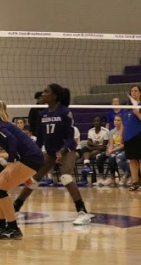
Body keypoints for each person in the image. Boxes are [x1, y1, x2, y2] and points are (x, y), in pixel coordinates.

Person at [12, 84, 92, 225]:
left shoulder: (64, 112)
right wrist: (32, 155)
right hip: (50, 151)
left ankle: (83, 212)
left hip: (67, 150)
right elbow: (40, 140)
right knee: (34, 178)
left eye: (46, 92)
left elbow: (70, 137)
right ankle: (15, 207)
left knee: (65, 176)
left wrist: (62, 151)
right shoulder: (42, 114)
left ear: (55, 96)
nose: (42, 94)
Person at [0, 101, 45, 240]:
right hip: (29, 159)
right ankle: (0, 225)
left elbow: (13, 141)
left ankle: (13, 228)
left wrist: (10, 164)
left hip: (30, 159)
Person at [123, 85, 141, 191]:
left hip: (139, 135)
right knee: (132, 160)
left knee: (140, 159)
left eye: (136, 91)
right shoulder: (127, 107)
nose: (133, 93)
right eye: (132, 91)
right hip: (128, 137)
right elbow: (125, 123)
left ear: (140, 93)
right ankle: (135, 183)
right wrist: (122, 134)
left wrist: (137, 112)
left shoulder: (139, 106)